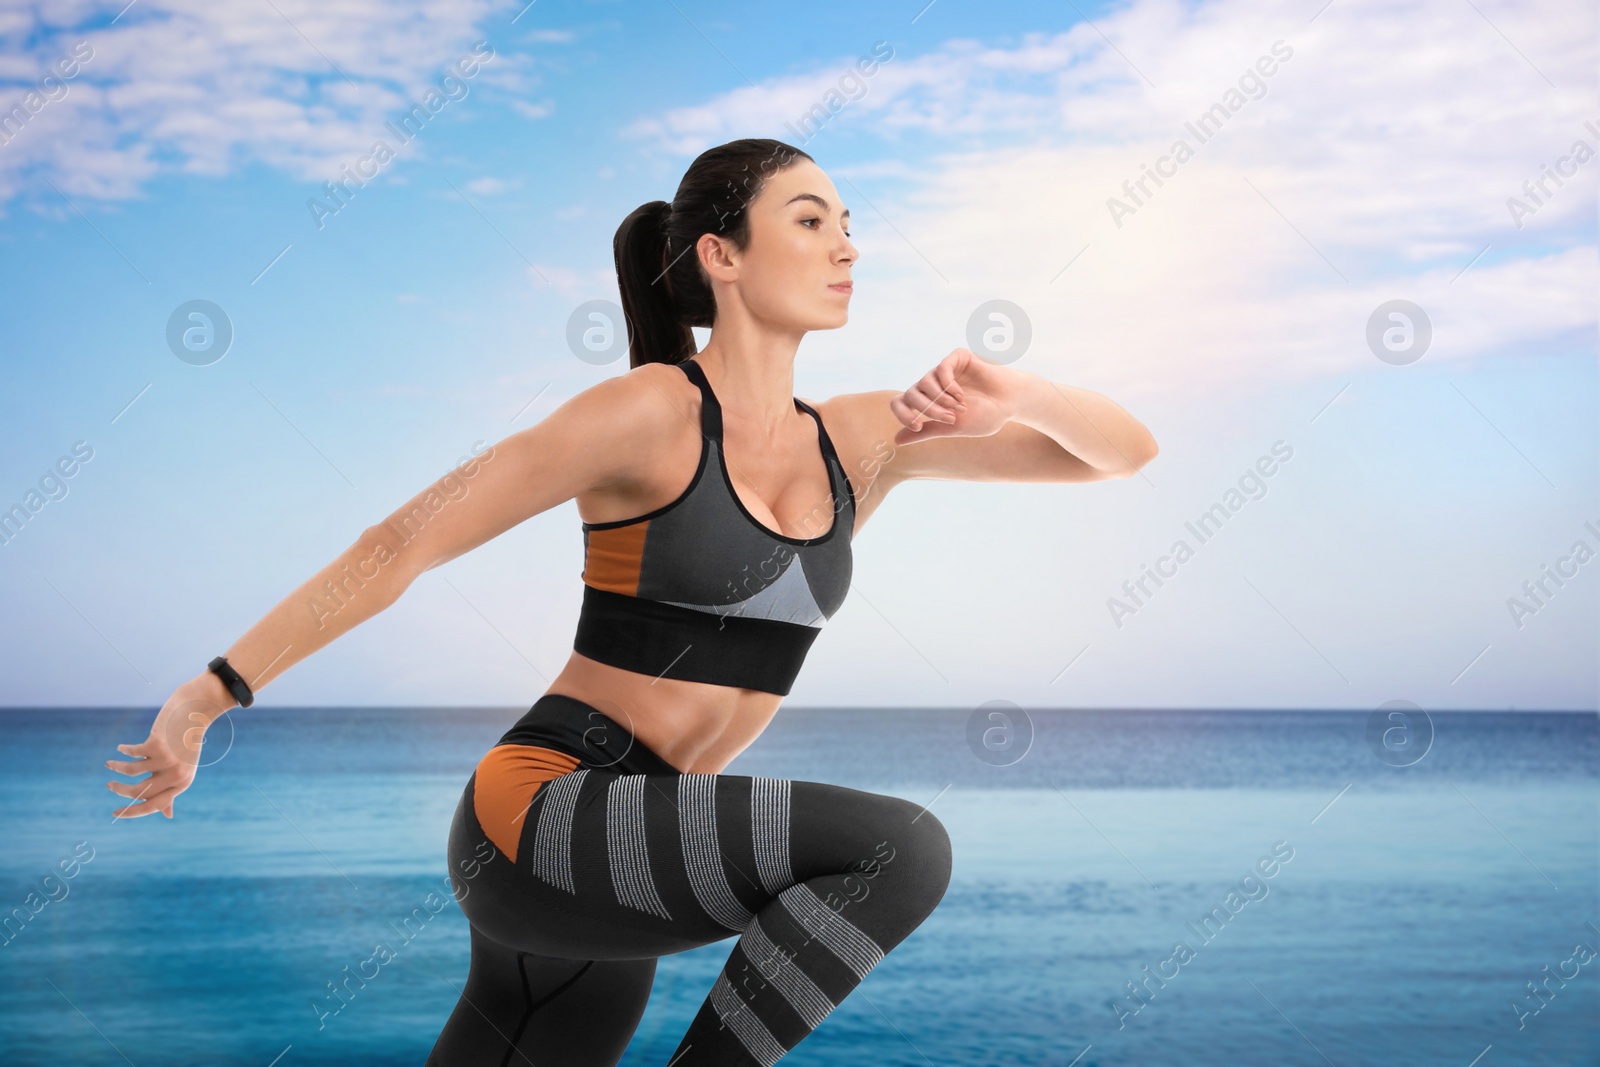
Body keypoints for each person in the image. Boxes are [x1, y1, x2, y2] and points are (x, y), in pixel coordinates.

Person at [106, 137, 1158, 1065]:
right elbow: (401, 542)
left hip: (639, 842)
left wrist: (1015, 393)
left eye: (850, 225)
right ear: (722, 254)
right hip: (545, 809)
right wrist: (210, 693)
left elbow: (1118, 455)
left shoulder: (861, 437)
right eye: (810, 219)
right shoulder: (649, 411)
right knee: (901, 846)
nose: (846, 245)